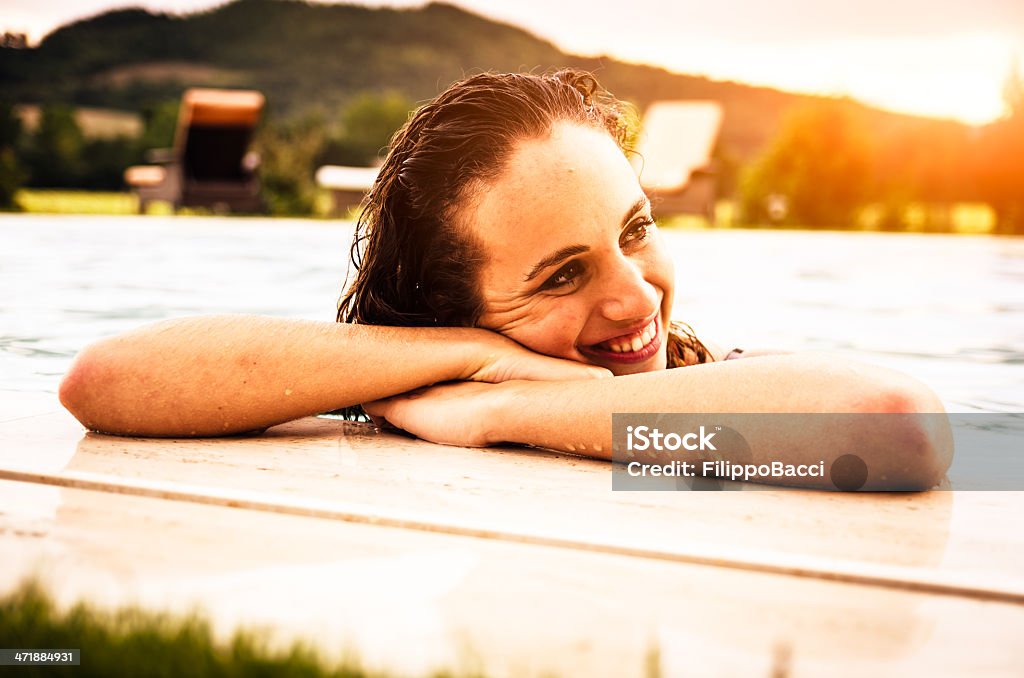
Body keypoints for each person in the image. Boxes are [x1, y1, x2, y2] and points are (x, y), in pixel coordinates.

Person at [59, 70, 952, 489]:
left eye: (634, 231)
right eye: (562, 275)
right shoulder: (427, 379)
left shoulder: (733, 379)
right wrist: (470, 356)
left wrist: (502, 408)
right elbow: (99, 382)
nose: (639, 300)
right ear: (451, 307)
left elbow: (897, 428)